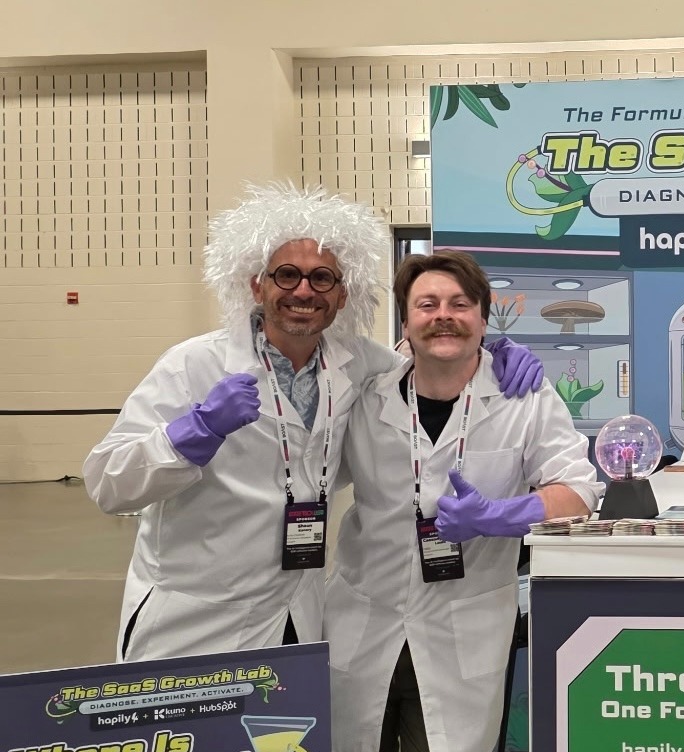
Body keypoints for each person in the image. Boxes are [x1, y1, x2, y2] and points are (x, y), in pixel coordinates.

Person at [83, 184, 545, 661]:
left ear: (341, 296)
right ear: (257, 286)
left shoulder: (364, 364)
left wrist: (493, 352)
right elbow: (108, 484)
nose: (304, 290)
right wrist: (195, 432)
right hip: (191, 616)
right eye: (287, 275)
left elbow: (432, 360)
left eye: (322, 278)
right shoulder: (194, 366)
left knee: (278, 736)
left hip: (295, 614)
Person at [327, 251, 599, 752]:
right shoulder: (368, 394)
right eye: (426, 304)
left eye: (459, 303)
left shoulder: (522, 394)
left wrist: (510, 515)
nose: (442, 315)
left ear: (484, 317)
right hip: (366, 616)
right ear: (405, 321)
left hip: (462, 621)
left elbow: (578, 487)